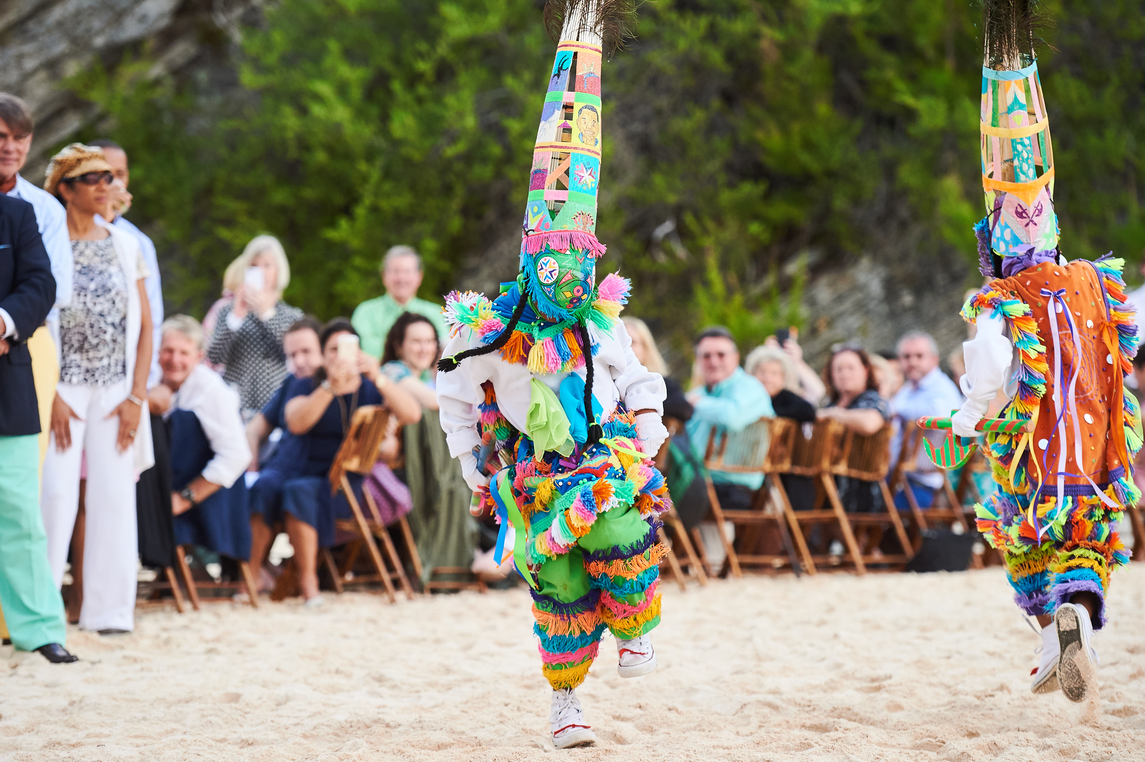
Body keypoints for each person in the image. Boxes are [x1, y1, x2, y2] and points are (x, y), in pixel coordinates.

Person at [436, 7, 670, 747]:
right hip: (532, 470)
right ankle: (566, 702)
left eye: (579, 266)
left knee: (619, 530)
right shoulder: (488, 336)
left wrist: (650, 426)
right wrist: (472, 463)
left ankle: (634, 633)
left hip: (602, 458)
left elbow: (635, 377)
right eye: (553, 266)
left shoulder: (598, 323)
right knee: (557, 585)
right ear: (529, 261)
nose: (567, 278)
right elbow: (453, 396)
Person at [951, 2, 1140, 704]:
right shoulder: (1096, 278)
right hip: (1091, 438)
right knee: (1086, 533)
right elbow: (1123, 350)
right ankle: (1068, 629)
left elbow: (991, 369)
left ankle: (1047, 631)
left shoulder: (1000, 298)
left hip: (1031, 442)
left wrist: (969, 418)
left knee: (1026, 534)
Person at [39, 144, 154, 635]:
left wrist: (136, 398)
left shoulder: (126, 245)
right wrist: (52, 393)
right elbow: (36, 321)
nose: (106, 184)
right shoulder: (45, 244)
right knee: (54, 495)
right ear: (65, 190)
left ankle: (108, 614)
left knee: (113, 496)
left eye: (109, 176)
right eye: (92, 178)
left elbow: (147, 325)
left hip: (114, 390)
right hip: (60, 386)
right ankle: (40, 614)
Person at [276, 320, 421, 603]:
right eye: (333, 349)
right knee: (296, 489)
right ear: (323, 354)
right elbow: (296, 422)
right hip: (313, 471)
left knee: (299, 492)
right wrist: (330, 386)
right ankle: (309, 581)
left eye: (347, 348)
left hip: (355, 479)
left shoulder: (370, 387)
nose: (340, 356)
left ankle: (310, 580)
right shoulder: (309, 384)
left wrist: (377, 376)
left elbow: (412, 414)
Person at [0, 94, 73, 641]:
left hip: (12, 375)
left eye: (17, 137)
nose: (8, 147)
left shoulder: (26, 212)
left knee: (21, 510)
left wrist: (3, 323)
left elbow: (42, 286)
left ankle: (38, 630)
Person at [148, 317, 252, 563]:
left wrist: (185, 498)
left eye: (184, 352)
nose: (175, 360)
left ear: (199, 356)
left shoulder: (210, 389)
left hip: (205, 495)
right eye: (168, 351)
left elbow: (237, 455)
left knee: (183, 420)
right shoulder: (151, 381)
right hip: (163, 481)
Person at [246, 317, 324, 590]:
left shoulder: (334, 383)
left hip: (320, 473)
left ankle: (290, 577)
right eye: (292, 355)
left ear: (323, 349)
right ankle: (253, 574)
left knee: (284, 488)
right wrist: (251, 463)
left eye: (306, 352)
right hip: (283, 466)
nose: (299, 361)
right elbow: (257, 427)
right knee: (259, 485)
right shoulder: (291, 381)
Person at [89, 139, 162, 387]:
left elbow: (152, 315)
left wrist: (145, 382)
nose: (113, 183)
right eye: (103, 174)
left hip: (125, 372)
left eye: (119, 174)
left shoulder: (138, 242)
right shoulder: (61, 229)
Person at [206, 234, 303, 418]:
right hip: (234, 406)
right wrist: (237, 316)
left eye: (267, 266)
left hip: (274, 407)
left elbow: (293, 354)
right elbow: (214, 356)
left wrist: (266, 314)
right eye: (254, 266)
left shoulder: (292, 316)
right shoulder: (227, 311)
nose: (261, 272)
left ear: (278, 271)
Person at [686, 327, 775, 517]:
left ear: (735, 357)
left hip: (734, 484)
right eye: (706, 356)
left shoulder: (750, 387)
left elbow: (731, 416)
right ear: (698, 361)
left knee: (662, 501)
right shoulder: (700, 393)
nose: (714, 361)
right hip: (701, 480)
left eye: (721, 354)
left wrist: (696, 403)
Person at [889, 331, 963, 510]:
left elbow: (941, 418)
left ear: (934, 359)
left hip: (923, 483)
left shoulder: (942, 388)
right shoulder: (908, 389)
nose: (912, 362)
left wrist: (898, 411)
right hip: (896, 478)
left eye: (919, 356)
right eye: (906, 356)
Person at [817, 344, 891, 513]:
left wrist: (836, 414)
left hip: (858, 491)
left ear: (865, 371)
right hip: (825, 485)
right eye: (838, 369)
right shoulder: (827, 403)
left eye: (851, 368)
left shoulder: (873, 400)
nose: (844, 374)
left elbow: (869, 423)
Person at [351, 245, 447, 358]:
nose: (401, 278)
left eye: (407, 272)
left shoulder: (435, 313)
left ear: (419, 277)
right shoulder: (365, 312)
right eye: (396, 271)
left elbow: (445, 351)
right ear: (384, 276)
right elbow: (360, 351)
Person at [623, 317, 692, 422]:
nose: (625, 346)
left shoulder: (662, 382)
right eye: (621, 341)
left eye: (633, 342)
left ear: (646, 348)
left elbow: (684, 410)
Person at [745, 345, 816, 423]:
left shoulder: (786, 397)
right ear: (752, 374)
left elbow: (808, 412)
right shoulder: (745, 396)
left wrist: (773, 414)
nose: (768, 378)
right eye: (762, 372)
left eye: (774, 373)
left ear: (783, 377)